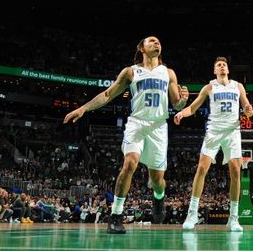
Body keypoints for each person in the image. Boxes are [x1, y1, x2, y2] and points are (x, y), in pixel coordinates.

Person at [63, 36, 188, 234]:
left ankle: (158, 197)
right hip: (136, 123)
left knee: (157, 180)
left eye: (158, 42)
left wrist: (183, 101)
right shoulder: (130, 71)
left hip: (158, 127)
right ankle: (116, 215)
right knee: (129, 164)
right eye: (152, 41)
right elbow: (107, 94)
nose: (157, 43)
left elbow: (176, 103)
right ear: (141, 48)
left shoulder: (168, 72)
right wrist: (84, 109)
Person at [174, 56, 253, 232]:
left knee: (236, 171)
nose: (222, 66)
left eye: (224, 64)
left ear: (228, 70)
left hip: (233, 131)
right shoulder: (209, 87)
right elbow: (193, 108)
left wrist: (248, 111)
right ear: (215, 71)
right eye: (219, 65)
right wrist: (181, 113)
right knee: (201, 169)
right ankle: (192, 213)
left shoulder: (238, 86)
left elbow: (248, 109)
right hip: (214, 130)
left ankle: (234, 218)